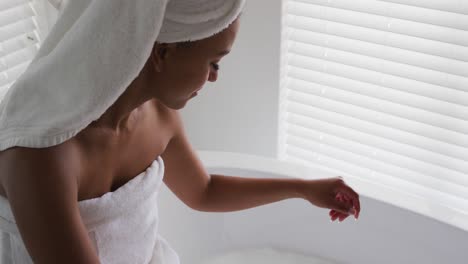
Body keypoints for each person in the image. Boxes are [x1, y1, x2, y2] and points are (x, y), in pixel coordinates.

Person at [0, 0, 360, 263]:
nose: (215, 77)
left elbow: (203, 191)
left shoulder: (158, 117)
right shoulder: (40, 155)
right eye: (213, 61)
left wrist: (303, 188)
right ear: (162, 53)